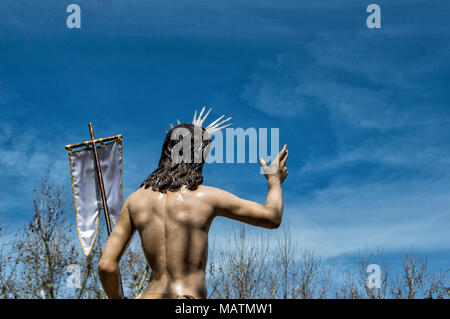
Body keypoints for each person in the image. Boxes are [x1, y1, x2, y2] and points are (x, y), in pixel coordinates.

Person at [98, 108, 289, 299]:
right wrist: (273, 181)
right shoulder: (206, 197)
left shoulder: (135, 200)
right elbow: (271, 217)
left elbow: (106, 266)